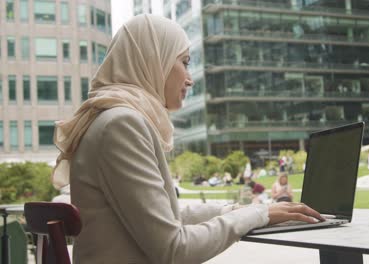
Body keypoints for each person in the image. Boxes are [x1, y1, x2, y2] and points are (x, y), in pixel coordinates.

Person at [50, 15, 325, 263]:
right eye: (184, 62)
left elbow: (164, 216)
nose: (190, 79)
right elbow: (174, 249)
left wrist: (238, 209)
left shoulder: (112, 119)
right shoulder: (122, 124)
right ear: (153, 61)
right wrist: (258, 215)